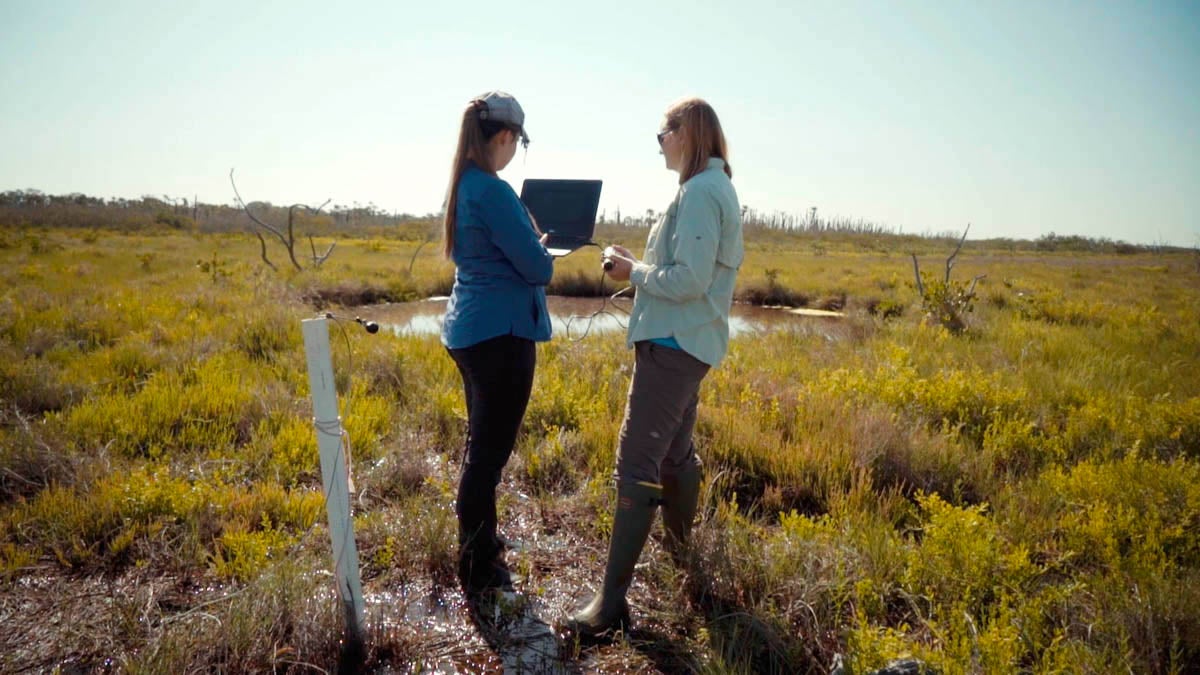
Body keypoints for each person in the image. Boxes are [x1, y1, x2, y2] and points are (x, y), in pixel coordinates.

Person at [565, 97, 743, 637]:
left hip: (672, 344)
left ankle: (610, 605)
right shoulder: (712, 189)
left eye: (662, 135)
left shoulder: (698, 193)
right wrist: (638, 265)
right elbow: (690, 272)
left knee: (637, 458)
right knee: (674, 451)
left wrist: (632, 270)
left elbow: (687, 281)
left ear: (684, 134)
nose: (658, 145)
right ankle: (682, 557)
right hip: (688, 342)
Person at [440, 91, 553, 597]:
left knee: (480, 447)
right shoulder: (493, 190)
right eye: (515, 144)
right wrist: (539, 246)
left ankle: (481, 542)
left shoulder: (464, 185)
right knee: (488, 454)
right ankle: (477, 561)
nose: (513, 153)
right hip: (500, 336)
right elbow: (538, 267)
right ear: (504, 137)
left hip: (470, 329)